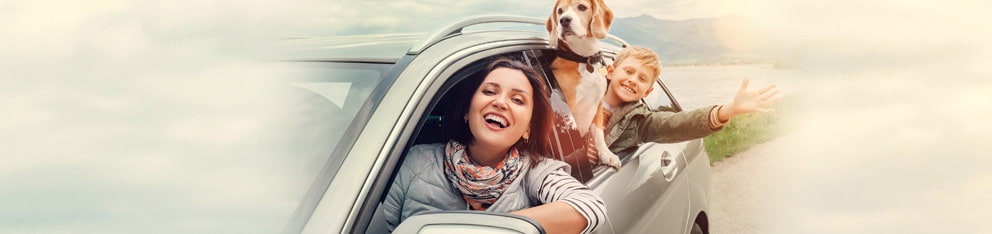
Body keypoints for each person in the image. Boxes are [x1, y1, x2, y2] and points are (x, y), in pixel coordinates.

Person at [383, 57, 607, 234]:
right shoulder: (415, 161)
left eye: (518, 100)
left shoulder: (536, 171)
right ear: (467, 112)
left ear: (528, 128)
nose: (500, 102)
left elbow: (590, 206)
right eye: (489, 91)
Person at [567, 46, 780, 175]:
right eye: (629, 71)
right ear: (611, 71)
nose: (633, 80)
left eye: (642, 79)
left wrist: (729, 110)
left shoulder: (640, 121)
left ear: (648, 91)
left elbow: (678, 123)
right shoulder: (577, 94)